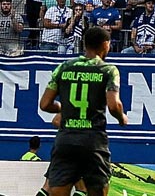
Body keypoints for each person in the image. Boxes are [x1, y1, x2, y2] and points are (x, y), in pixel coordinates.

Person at [38, 25, 125, 196]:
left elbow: (45, 104)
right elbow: (114, 105)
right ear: (105, 44)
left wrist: (64, 107)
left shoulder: (64, 67)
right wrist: (122, 118)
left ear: (85, 44)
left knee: (55, 190)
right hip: (92, 140)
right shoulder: (107, 70)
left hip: (66, 139)